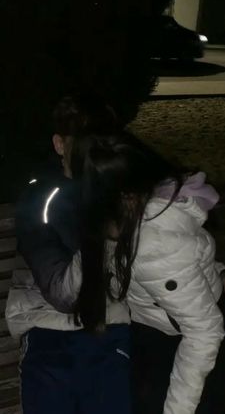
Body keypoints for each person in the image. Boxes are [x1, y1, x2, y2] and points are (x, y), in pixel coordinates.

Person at [6, 98, 225, 414]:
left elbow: (169, 260)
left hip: (168, 336)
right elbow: (67, 290)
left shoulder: (134, 219)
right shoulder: (112, 205)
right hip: (124, 327)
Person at [6, 96, 131, 414]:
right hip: (51, 332)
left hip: (114, 330)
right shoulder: (41, 200)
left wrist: (218, 273)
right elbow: (64, 295)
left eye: (103, 143)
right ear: (60, 144)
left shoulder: (123, 191)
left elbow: (168, 249)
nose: (94, 153)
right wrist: (108, 237)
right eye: (85, 143)